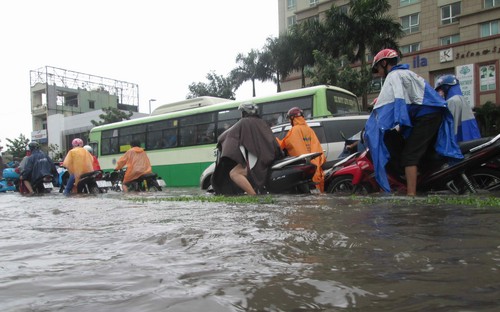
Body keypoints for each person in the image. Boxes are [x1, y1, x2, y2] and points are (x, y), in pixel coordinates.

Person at [365, 48, 463, 196]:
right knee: (419, 152)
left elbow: (393, 105)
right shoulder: (407, 73)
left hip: (427, 117)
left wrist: (374, 126)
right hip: (430, 115)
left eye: (378, 68)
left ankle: (411, 198)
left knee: (409, 156)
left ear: (384, 63)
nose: (378, 73)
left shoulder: (394, 76)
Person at [213, 102, 282, 195]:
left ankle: (253, 195)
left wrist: (220, 140)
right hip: (268, 158)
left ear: (244, 112)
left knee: (234, 173)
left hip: (257, 159)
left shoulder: (244, 122)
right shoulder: (262, 123)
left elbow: (229, 134)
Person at [277, 107, 326, 192]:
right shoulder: (309, 129)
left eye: (289, 119)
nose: (289, 121)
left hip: (303, 165)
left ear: (293, 118)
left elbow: (286, 143)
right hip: (315, 165)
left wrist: (275, 141)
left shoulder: (294, 130)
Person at [434, 74, 481, 142]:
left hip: (458, 143)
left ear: (446, 87)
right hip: (473, 140)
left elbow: (449, 127)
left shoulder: (451, 101)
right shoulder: (462, 99)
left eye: (440, 89)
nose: (439, 93)